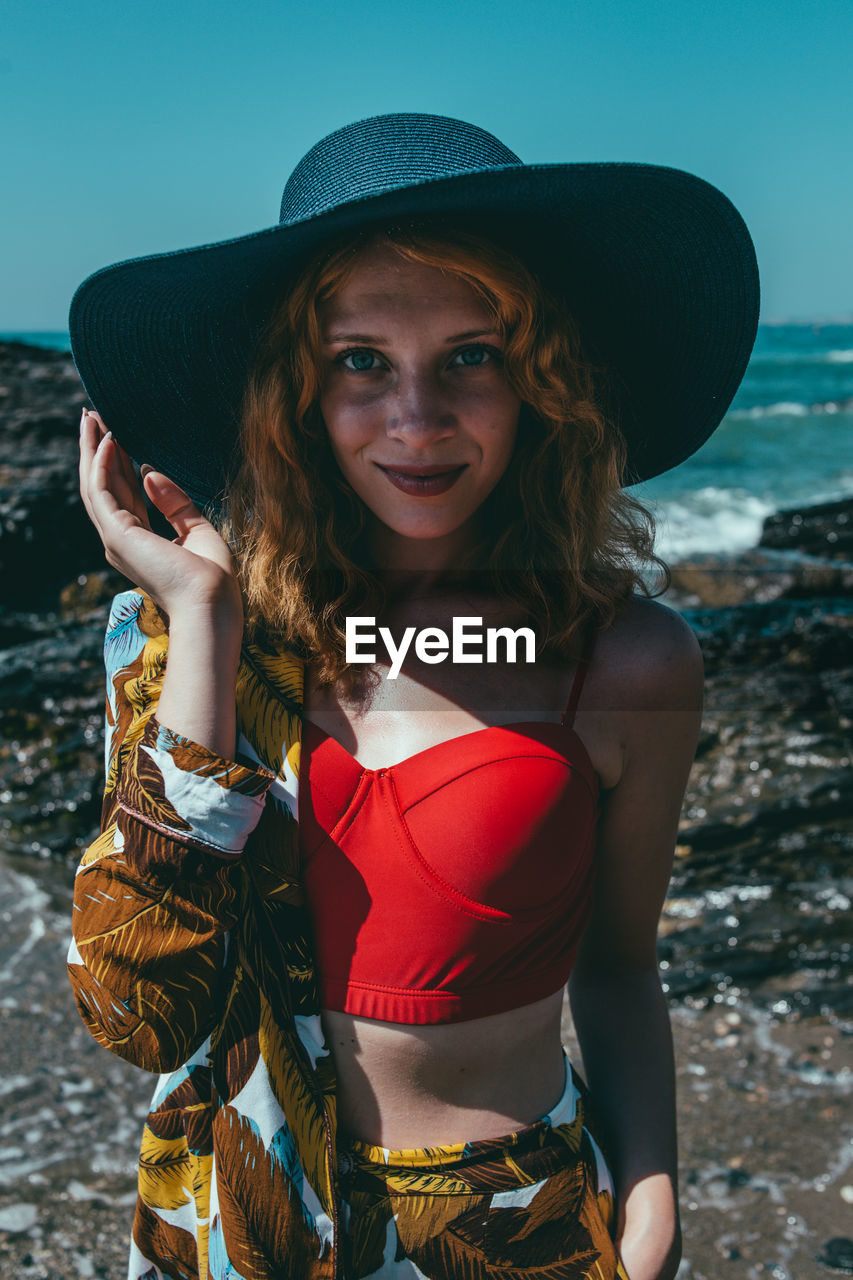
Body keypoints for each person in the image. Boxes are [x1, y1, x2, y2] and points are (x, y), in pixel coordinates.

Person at [67, 113, 759, 1280]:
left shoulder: (629, 663)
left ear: (545, 380)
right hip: (235, 1226)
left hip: (509, 1228)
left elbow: (620, 963)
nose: (417, 420)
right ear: (296, 388)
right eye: (361, 361)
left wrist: (653, 1207)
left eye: (471, 355)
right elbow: (138, 1013)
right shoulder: (185, 638)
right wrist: (202, 622)